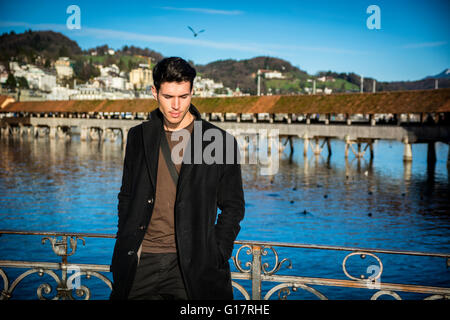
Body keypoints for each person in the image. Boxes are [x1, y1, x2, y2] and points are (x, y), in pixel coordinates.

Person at [109, 57, 245, 300]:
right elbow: (127, 195)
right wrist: (125, 239)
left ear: (193, 92)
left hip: (193, 264)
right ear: (154, 92)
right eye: (168, 96)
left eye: (183, 96)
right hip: (141, 260)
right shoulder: (137, 137)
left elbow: (233, 206)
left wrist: (217, 252)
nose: (176, 105)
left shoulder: (220, 142)